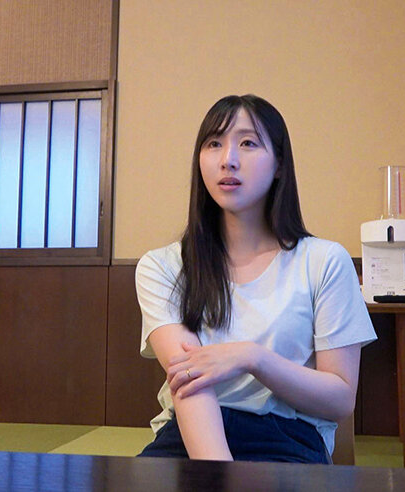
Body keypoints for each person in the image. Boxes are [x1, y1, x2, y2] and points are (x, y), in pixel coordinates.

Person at [135, 94, 376, 464]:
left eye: (248, 143)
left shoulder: (325, 261)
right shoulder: (162, 266)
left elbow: (340, 399)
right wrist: (220, 477)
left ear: (279, 164)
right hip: (189, 436)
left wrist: (253, 358)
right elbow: (189, 383)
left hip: (288, 439)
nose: (228, 159)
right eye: (214, 144)